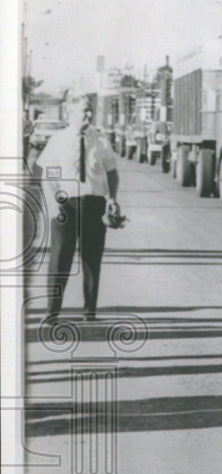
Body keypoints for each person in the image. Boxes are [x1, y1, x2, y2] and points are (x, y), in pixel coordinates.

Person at [38, 93, 122, 321]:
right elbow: (49, 176)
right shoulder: (59, 140)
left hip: (94, 205)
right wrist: (54, 205)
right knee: (59, 261)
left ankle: (90, 312)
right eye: (84, 110)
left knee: (92, 260)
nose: (88, 114)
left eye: (90, 110)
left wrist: (112, 199)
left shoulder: (100, 141)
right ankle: (52, 312)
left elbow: (112, 172)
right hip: (65, 206)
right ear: (71, 112)